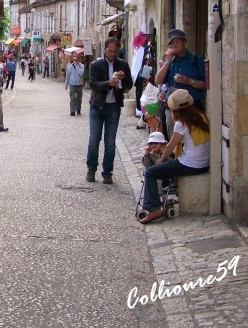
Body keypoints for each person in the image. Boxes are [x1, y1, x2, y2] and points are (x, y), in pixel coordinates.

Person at [138, 90, 210, 223]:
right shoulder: (201, 116)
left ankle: (153, 209)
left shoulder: (181, 124)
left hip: (189, 164)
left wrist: (161, 159)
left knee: (150, 172)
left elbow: (171, 146)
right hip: (205, 163)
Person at [85, 37, 133, 184]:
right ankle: (91, 169)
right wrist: (108, 83)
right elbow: (92, 83)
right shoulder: (96, 65)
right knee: (94, 140)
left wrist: (123, 79)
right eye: (110, 51)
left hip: (113, 107)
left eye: (115, 51)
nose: (112, 54)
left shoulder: (122, 65)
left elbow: (129, 85)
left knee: (110, 142)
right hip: (97, 107)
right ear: (105, 49)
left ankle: (107, 173)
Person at [154, 29, 206, 139]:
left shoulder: (196, 60)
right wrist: (167, 62)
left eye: (178, 41)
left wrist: (189, 81)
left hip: (192, 107)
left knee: (191, 139)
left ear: (184, 42)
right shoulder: (170, 62)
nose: (175, 44)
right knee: (173, 139)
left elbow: (204, 85)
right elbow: (158, 80)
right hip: (173, 108)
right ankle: (174, 156)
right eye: (172, 42)